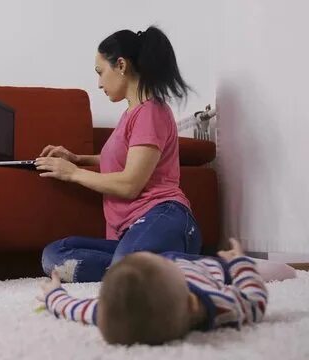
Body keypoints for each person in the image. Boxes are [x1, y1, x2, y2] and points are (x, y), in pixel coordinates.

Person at [36, 26, 200, 283]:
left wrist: (73, 173)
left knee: (127, 266)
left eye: (100, 72)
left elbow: (130, 184)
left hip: (163, 215)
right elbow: (124, 159)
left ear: (121, 65)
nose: (99, 83)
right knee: (54, 255)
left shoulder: (151, 111)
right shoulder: (130, 114)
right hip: (131, 232)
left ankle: (223, 268)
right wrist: (78, 159)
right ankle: (138, 268)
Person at [36, 239, 287, 345]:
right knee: (246, 268)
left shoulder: (112, 311)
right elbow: (255, 301)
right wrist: (240, 265)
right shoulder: (222, 305)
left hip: (166, 268)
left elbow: (73, 308)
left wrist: (54, 294)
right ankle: (255, 263)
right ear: (191, 302)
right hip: (210, 271)